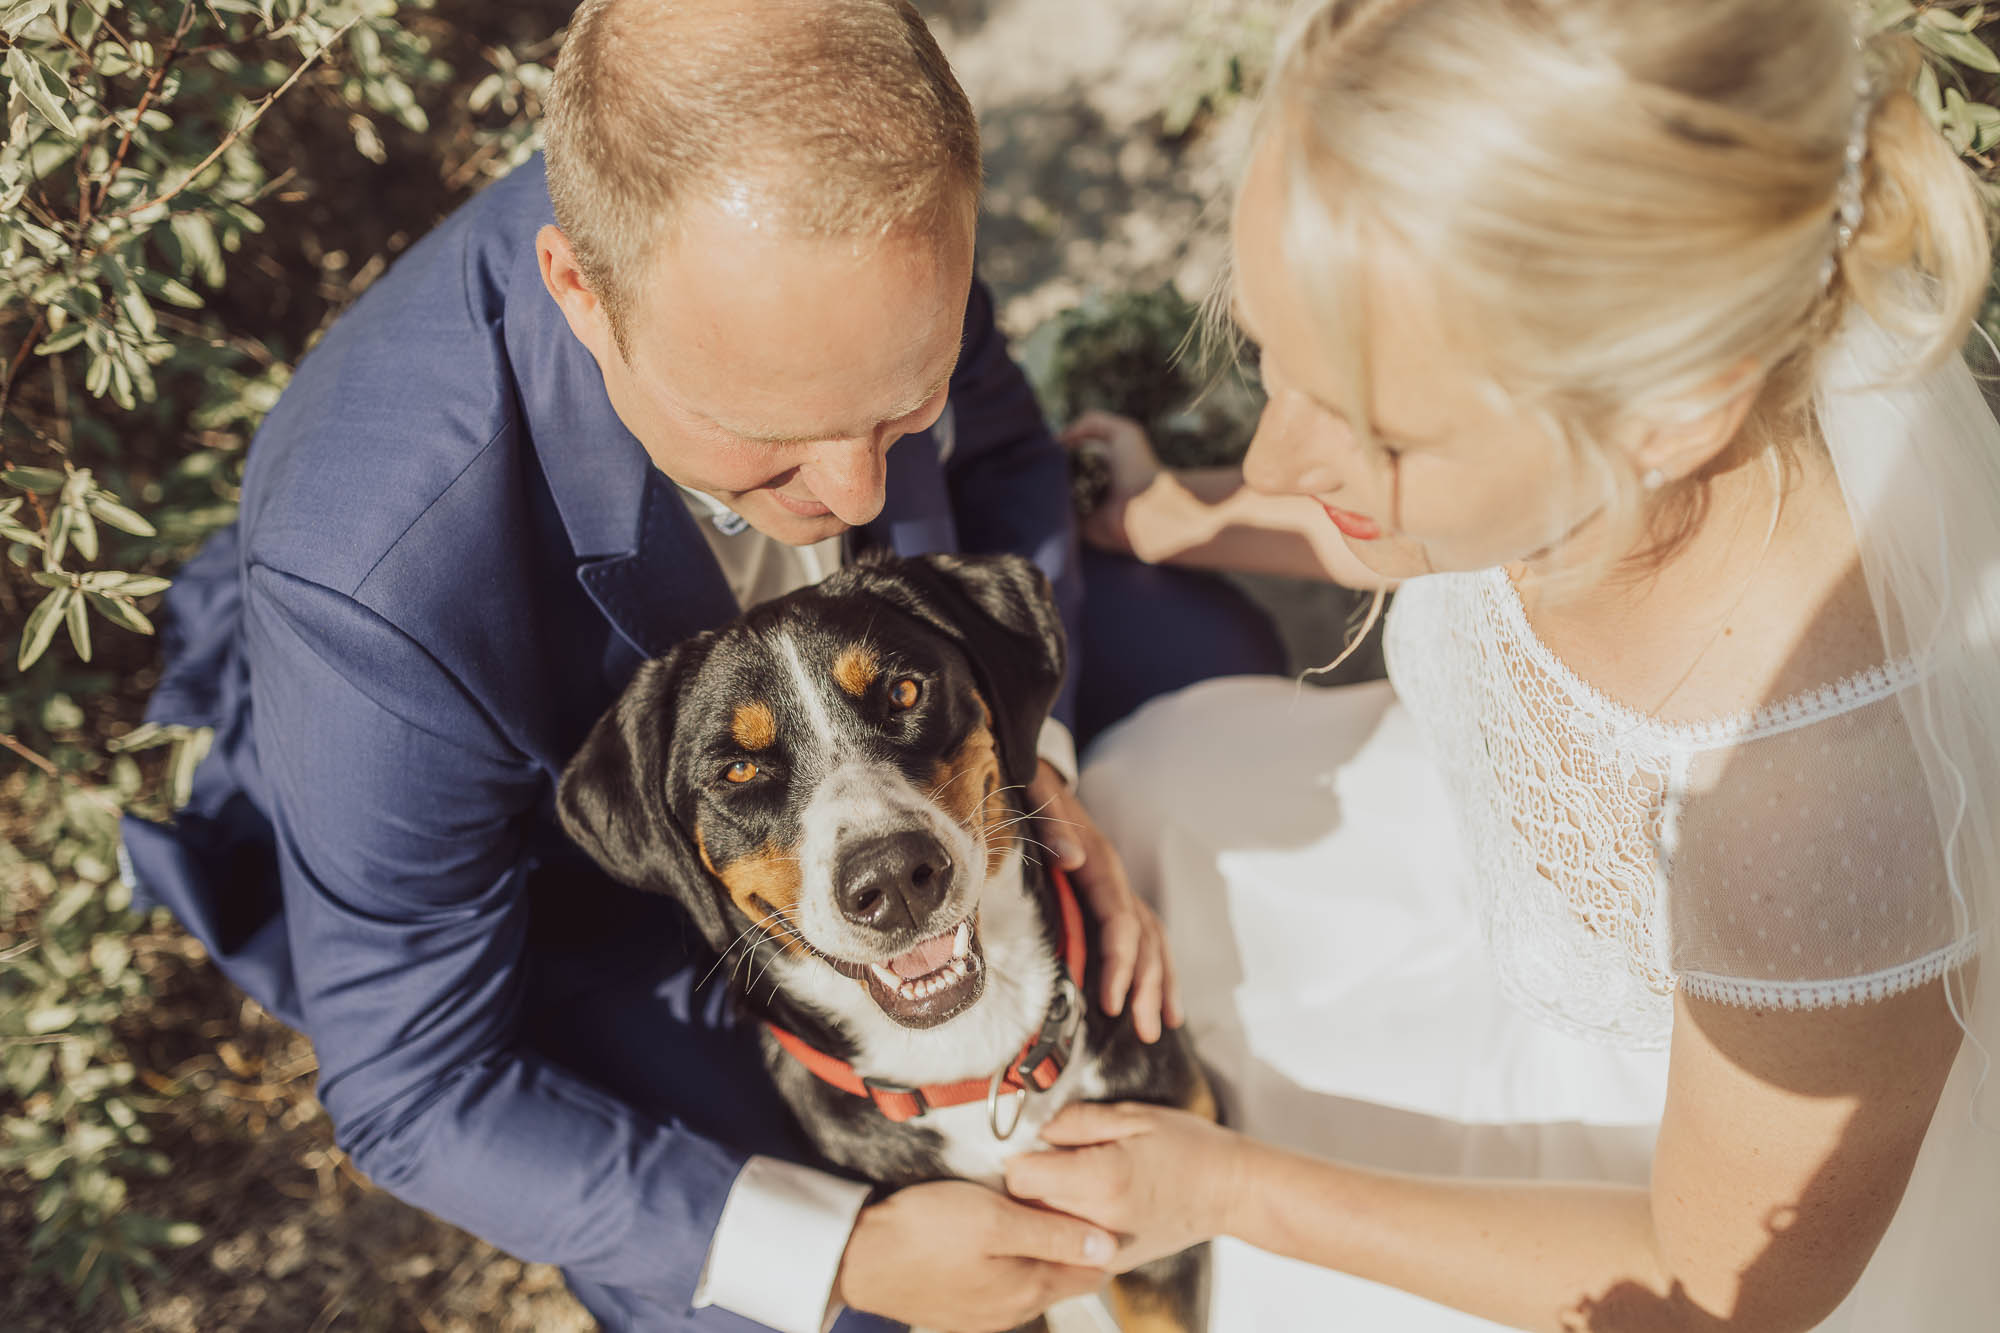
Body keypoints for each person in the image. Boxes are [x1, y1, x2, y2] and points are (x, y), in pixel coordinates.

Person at [117, 2, 1286, 1330]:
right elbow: (415, 1083)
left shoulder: (862, 222)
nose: (853, 486)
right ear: (581, 293)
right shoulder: (379, 577)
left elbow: (1006, 459)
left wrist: (1023, 760)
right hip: (581, 875)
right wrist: (840, 1252)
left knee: (1211, 656)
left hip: (908, 692)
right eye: (772, 440)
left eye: (903, 408)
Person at [1004, 2, 2000, 1330]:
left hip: (1634, 1177)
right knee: (1150, 794)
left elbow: (1714, 1287)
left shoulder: (1813, 812)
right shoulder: (1571, 442)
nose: (1274, 460)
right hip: (1462, 885)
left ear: (1671, 410)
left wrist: (1231, 1190)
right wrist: (1191, 514)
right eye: (1267, 357)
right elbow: (1420, 529)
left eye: (1376, 432)